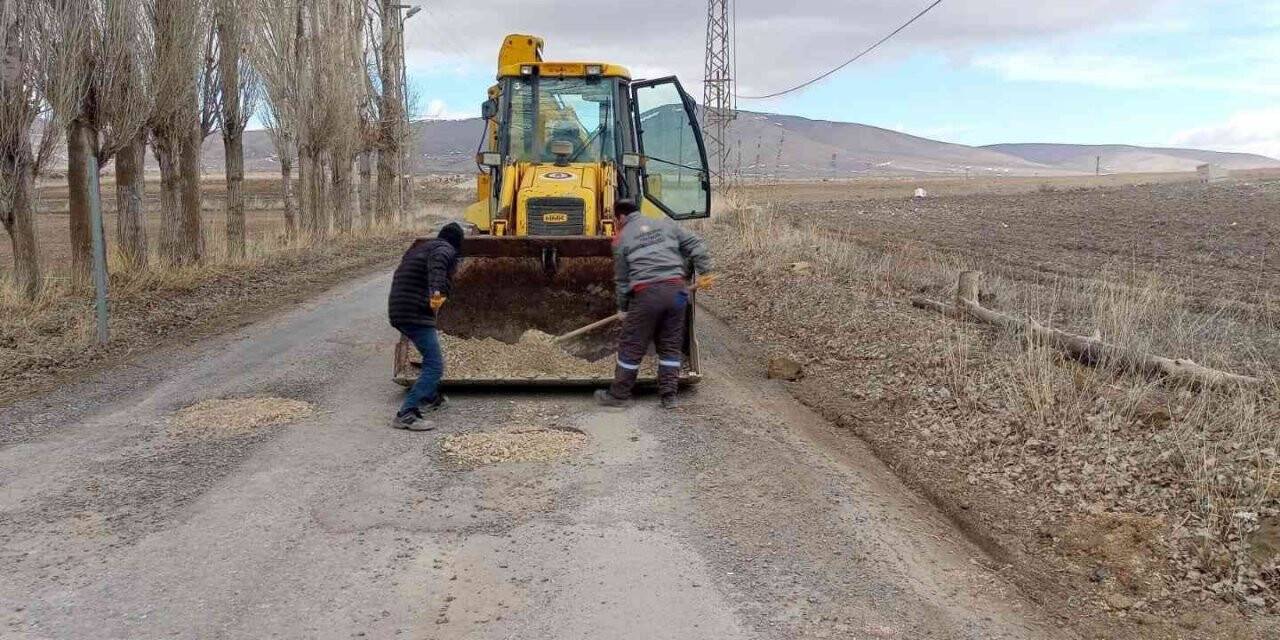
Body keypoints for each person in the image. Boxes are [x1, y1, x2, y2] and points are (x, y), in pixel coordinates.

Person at [595, 200, 714, 410]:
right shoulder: (665, 224)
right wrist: (706, 272)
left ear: (620, 217)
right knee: (670, 344)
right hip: (677, 293)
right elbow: (696, 245)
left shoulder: (621, 239)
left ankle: (619, 395)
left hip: (648, 295)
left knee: (632, 344)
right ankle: (669, 397)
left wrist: (623, 308)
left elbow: (622, 280)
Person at [388, 222, 464, 430]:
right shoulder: (444, 249)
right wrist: (436, 294)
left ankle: (430, 398)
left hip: (401, 310)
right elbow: (438, 266)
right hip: (414, 313)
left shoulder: (423, 248)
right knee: (435, 365)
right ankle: (407, 413)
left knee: (428, 355)